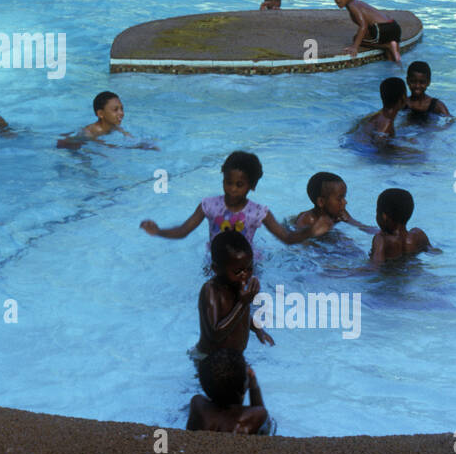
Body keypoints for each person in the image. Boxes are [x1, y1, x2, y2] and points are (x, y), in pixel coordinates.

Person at [140, 150, 318, 253]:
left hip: (246, 267)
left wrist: (311, 231)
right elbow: (183, 230)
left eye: (239, 184)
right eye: (228, 182)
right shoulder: (209, 205)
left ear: (252, 185)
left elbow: (286, 237)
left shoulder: (258, 212)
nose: (232, 188)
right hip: (215, 263)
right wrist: (158, 231)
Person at [197, 231, 274, 355]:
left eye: (249, 268)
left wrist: (258, 329)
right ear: (216, 269)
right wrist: (243, 303)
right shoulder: (211, 291)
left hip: (232, 359)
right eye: (238, 271)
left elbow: (243, 315)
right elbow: (215, 333)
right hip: (210, 360)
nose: (245, 275)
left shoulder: (238, 285)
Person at [187, 349, 273, 435]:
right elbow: (264, 420)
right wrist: (254, 387)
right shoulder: (255, 416)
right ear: (244, 387)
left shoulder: (197, 404)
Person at [332, 0, 400, 63]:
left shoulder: (352, 6)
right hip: (393, 26)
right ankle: (393, 54)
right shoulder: (359, 3)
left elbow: (363, 25)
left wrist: (355, 47)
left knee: (356, 39)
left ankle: (388, 45)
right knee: (391, 60)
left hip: (382, 29)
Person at [293, 171, 375, 236]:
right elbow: (301, 243)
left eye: (344, 197)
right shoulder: (308, 220)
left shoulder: (340, 213)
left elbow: (360, 226)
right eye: (339, 199)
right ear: (321, 202)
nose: (345, 202)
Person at [369, 188, 430, 263]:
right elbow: (434, 252)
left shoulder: (381, 240)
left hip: (391, 274)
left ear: (384, 216)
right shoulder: (419, 235)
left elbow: (375, 267)